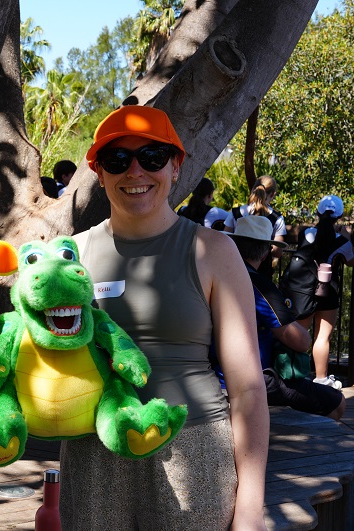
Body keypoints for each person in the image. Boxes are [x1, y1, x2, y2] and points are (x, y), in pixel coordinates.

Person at [64, 105, 269, 530]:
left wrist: (250, 508)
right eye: (117, 159)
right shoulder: (71, 256)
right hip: (94, 453)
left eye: (152, 157)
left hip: (195, 449)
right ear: (98, 172)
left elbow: (248, 388)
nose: (135, 171)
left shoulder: (214, 251)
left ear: (175, 166)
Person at [223, 215, 345, 420]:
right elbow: (299, 341)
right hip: (253, 378)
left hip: (214, 372)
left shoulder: (217, 277)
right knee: (338, 402)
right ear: (265, 253)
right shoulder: (259, 286)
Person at [280, 194, 350, 390]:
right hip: (328, 291)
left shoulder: (305, 233)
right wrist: (345, 236)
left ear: (318, 213)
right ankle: (321, 378)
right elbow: (351, 261)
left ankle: (292, 376)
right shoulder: (341, 240)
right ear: (340, 216)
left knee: (300, 333)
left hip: (303, 291)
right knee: (323, 337)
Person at [224, 174, 286, 275]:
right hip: (262, 270)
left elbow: (225, 239)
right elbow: (277, 252)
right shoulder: (277, 218)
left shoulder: (236, 212)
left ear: (253, 189)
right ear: (272, 194)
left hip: (235, 264)